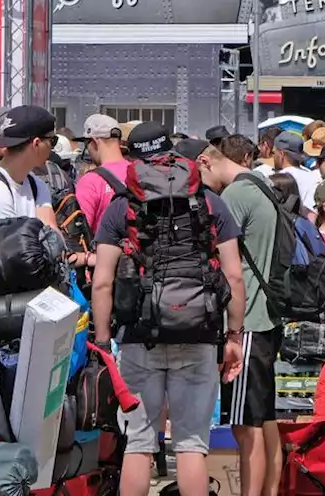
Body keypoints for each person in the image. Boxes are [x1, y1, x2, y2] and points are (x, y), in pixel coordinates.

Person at [90, 122, 246, 496]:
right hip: (200, 332)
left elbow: (102, 281)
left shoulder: (121, 207)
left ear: (134, 155)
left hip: (137, 336)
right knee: (192, 443)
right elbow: (234, 277)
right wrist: (234, 335)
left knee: (140, 442)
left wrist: (102, 339)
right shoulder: (210, 202)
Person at [197, 134, 283, 496]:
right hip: (267, 315)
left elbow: (225, 263)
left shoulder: (231, 197)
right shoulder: (260, 186)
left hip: (247, 319)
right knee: (264, 420)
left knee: (244, 426)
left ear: (206, 162)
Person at [0, 106, 58, 229]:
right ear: (36, 144)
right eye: (53, 141)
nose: (52, 148)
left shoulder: (36, 185)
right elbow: (13, 245)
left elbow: (56, 243)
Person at [73, 114, 129, 233]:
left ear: (93, 142)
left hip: (103, 250)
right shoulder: (138, 171)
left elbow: (81, 231)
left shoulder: (90, 181)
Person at [267, 133, 321, 218]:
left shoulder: (280, 178)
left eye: (274, 152)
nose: (273, 156)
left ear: (282, 153)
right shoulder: (311, 175)